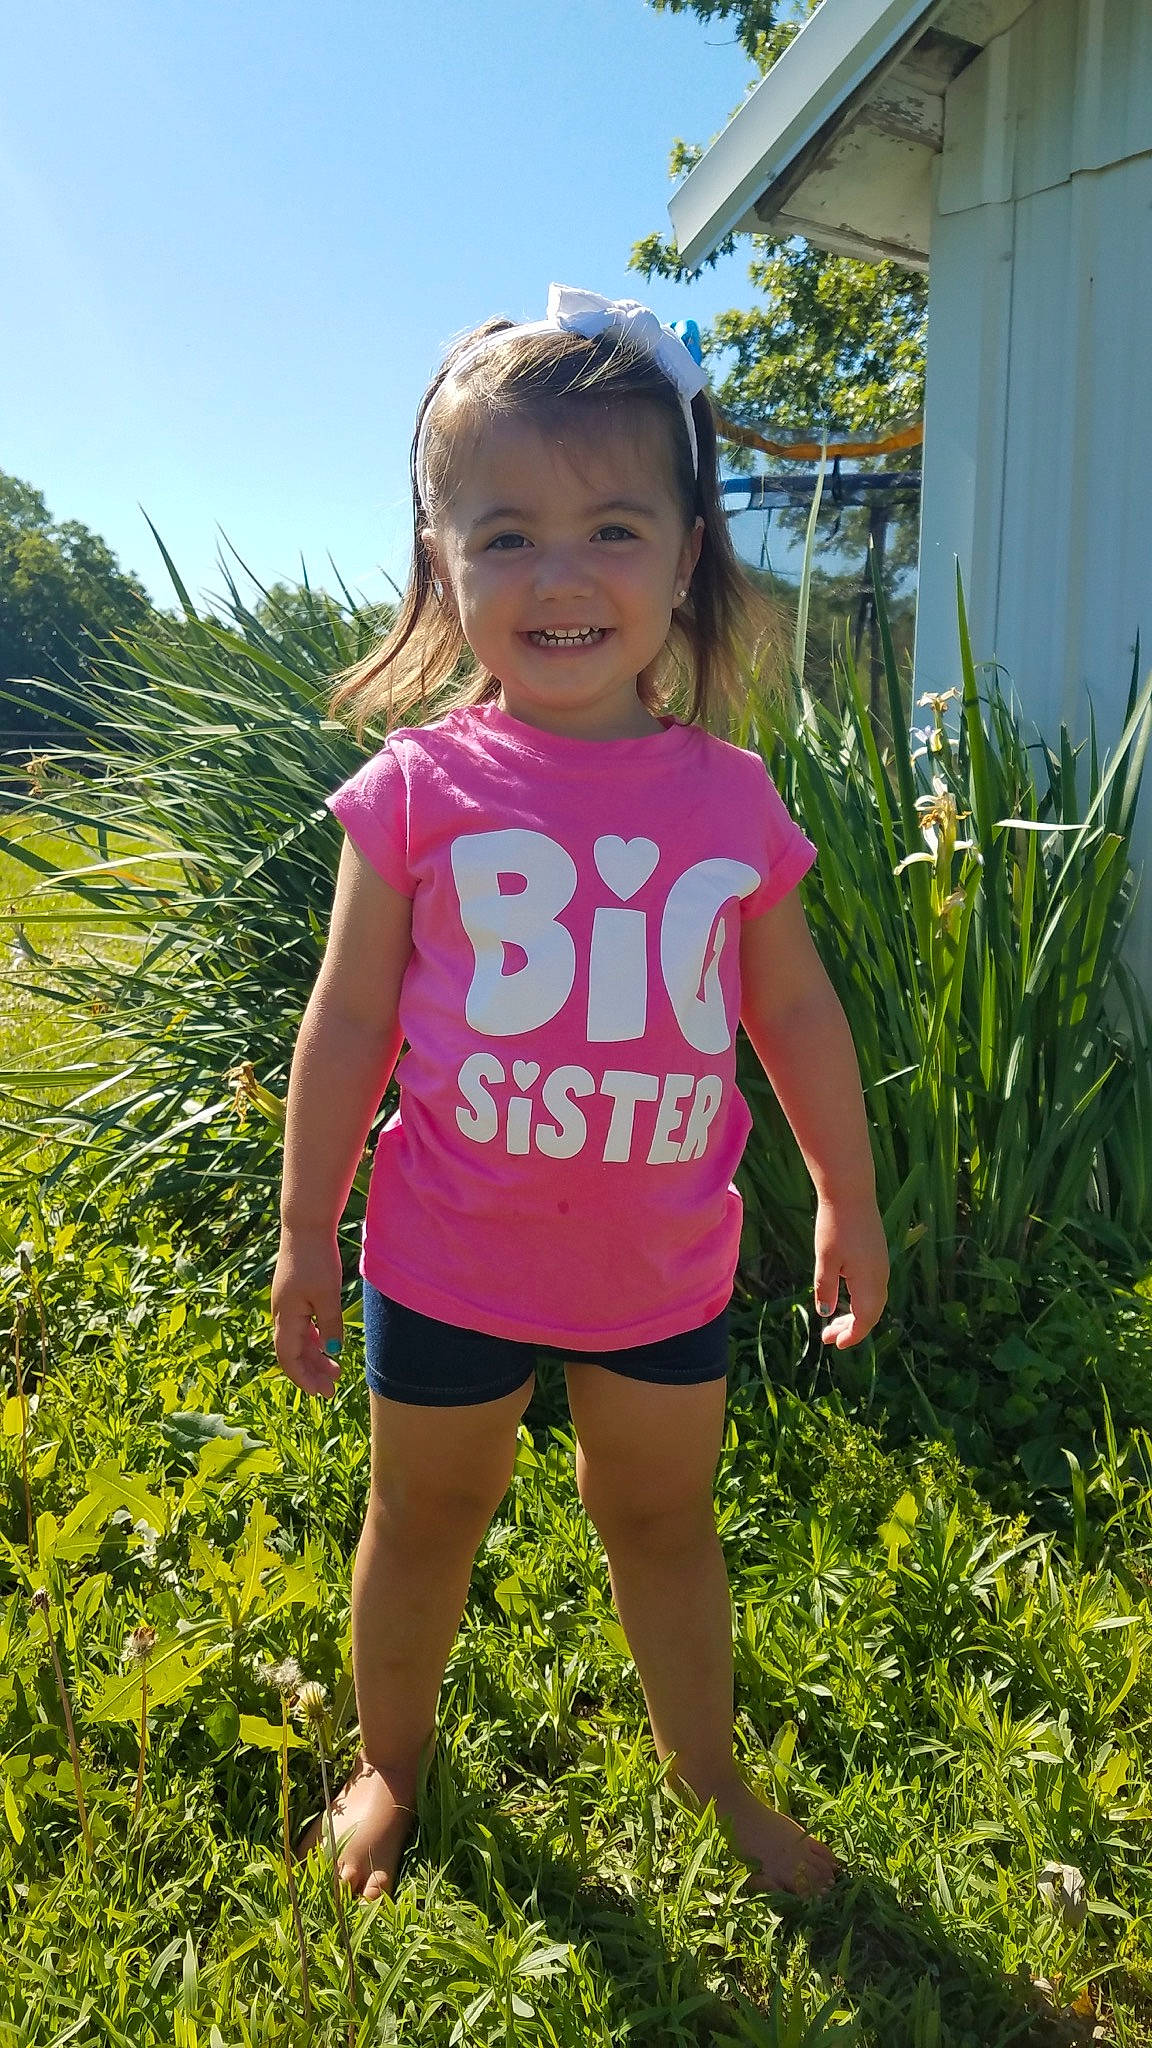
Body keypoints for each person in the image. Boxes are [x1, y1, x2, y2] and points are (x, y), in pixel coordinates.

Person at [273, 285, 889, 1907]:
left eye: (614, 528)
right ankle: (391, 1766)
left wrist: (849, 1191)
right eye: (507, 536)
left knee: (666, 1525)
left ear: (687, 556)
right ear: (443, 566)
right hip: (449, 1259)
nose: (562, 577)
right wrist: (301, 1232)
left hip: (658, 1271)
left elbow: (796, 1009)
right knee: (424, 1519)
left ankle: (717, 1787)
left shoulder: (732, 800)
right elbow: (345, 1023)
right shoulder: (414, 795)